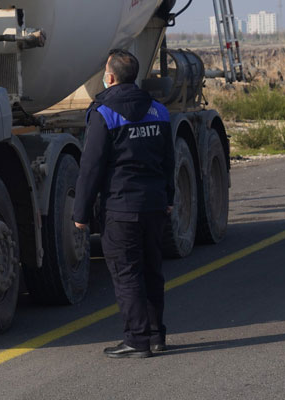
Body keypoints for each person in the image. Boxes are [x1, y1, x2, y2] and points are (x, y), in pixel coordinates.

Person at [73, 49, 175, 358]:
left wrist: (81, 213)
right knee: (151, 270)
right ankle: (156, 335)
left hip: (121, 208)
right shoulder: (159, 111)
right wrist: (169, 197)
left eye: (106, 71)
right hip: (155, 204)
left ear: (111, 77)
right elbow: (168, 160)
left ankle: (136, 340)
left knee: (128, 274)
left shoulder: (103, 113)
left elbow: (91, 167)